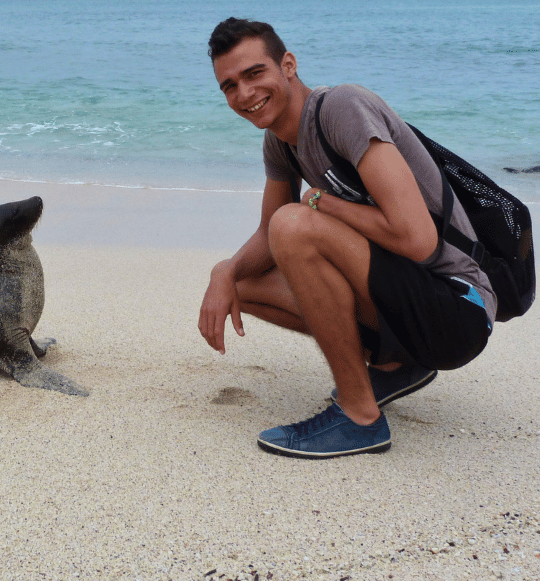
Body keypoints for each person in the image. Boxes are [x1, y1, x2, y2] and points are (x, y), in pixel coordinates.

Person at [199, 18, 495, 459]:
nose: (244, 94)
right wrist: (223, 271)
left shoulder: (341, 108)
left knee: (294, 224)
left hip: (457, 307)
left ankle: (361, 418)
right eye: (228, 85)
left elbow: (418, 240)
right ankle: (395, 366)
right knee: (240, 285)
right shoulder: (280, 143)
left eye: (254, 73)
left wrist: (323, 204)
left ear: (288, 65)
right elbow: (265, 236)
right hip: (409, 305)